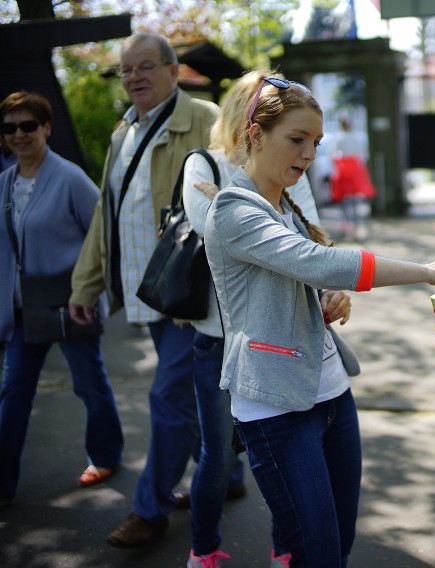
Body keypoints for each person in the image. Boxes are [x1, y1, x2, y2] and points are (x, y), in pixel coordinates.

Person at [204, 75, 435, 567]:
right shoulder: (235, 209)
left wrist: (329, 296)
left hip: (330, 391)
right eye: (296, 139)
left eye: (316, 142)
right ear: (256, 134)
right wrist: (428, 272)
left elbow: (307, 273)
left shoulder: (286, 204)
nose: (309, 154)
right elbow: (319, 261)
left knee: (337, 542)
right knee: (317, 551)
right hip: (275, 406)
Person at [68, 32, 219, 548]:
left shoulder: (204, 119)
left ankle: (150, 509)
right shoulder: (122, 133)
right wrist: (85, 286)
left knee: (167, 395)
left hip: (189, 291)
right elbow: (102, 219)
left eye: (145, 67)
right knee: (187, 395)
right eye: (126, 70)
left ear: (173, 72)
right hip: (144, 290)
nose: (134, 77)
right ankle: (228, 475)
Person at [180, 69, 323, 567]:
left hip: (282, 338)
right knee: (219, 455)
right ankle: (203, 548)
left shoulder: (287, 168)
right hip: (220, 337)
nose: (307, 151)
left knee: (284, 469)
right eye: (254, 105)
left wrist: (329, 288)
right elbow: (213, 226)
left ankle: (284, 549)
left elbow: (310, 238)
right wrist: (240, 202)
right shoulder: (204, 163)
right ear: (246, 121)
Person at [0, 91, 124, 505]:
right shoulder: (4, 183)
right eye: (9, 127)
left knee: (88, 383)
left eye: (28, 125)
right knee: (14, 389)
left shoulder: (69, 177)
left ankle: (106, 454)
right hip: (23, 305)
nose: (19, 134)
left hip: (70, 300)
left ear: (46, 128)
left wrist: (92, 289)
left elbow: (103, 231)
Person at [329, 115, 375, 240]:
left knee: (344, 201)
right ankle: (357, 227)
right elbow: (362, 155)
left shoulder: (339, 138)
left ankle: (347, 227)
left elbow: (334, 154)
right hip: (355, 170)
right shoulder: (355, 138)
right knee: (356, 200)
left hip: (343, 170)